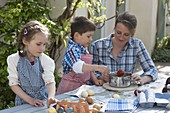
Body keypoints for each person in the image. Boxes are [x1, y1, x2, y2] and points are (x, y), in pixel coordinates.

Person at [90, 12, 158, 85]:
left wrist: (142, 79)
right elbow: (89, 72)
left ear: (132, 33)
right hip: (103, 90)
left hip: (127, 92)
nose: (121, 37)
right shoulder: (97, 46)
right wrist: (101, 77)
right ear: (114, 28)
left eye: (126, 34)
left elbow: (152, 70)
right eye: (118, 32)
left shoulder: (137, 45)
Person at [7, 20, 57, 108]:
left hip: (42, 102)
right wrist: (30, 100)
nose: (42, 48)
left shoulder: (46, 61)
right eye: (38, 44)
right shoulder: (13, 59)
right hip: (23, 103)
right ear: (25, 41)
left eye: (44, 44)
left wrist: (51, 97)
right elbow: (13, 84)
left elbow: (50, 81)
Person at [56, 16, 109, 95]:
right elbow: (78, 66)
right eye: (88, 36)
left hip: (80, 89)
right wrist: (98, 67)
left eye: (91, 36)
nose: (91, 39)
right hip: (68, 90)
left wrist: (95, 80)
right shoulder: (72, 49)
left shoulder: (83, 48)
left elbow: (88, 69)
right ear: (77, 35)